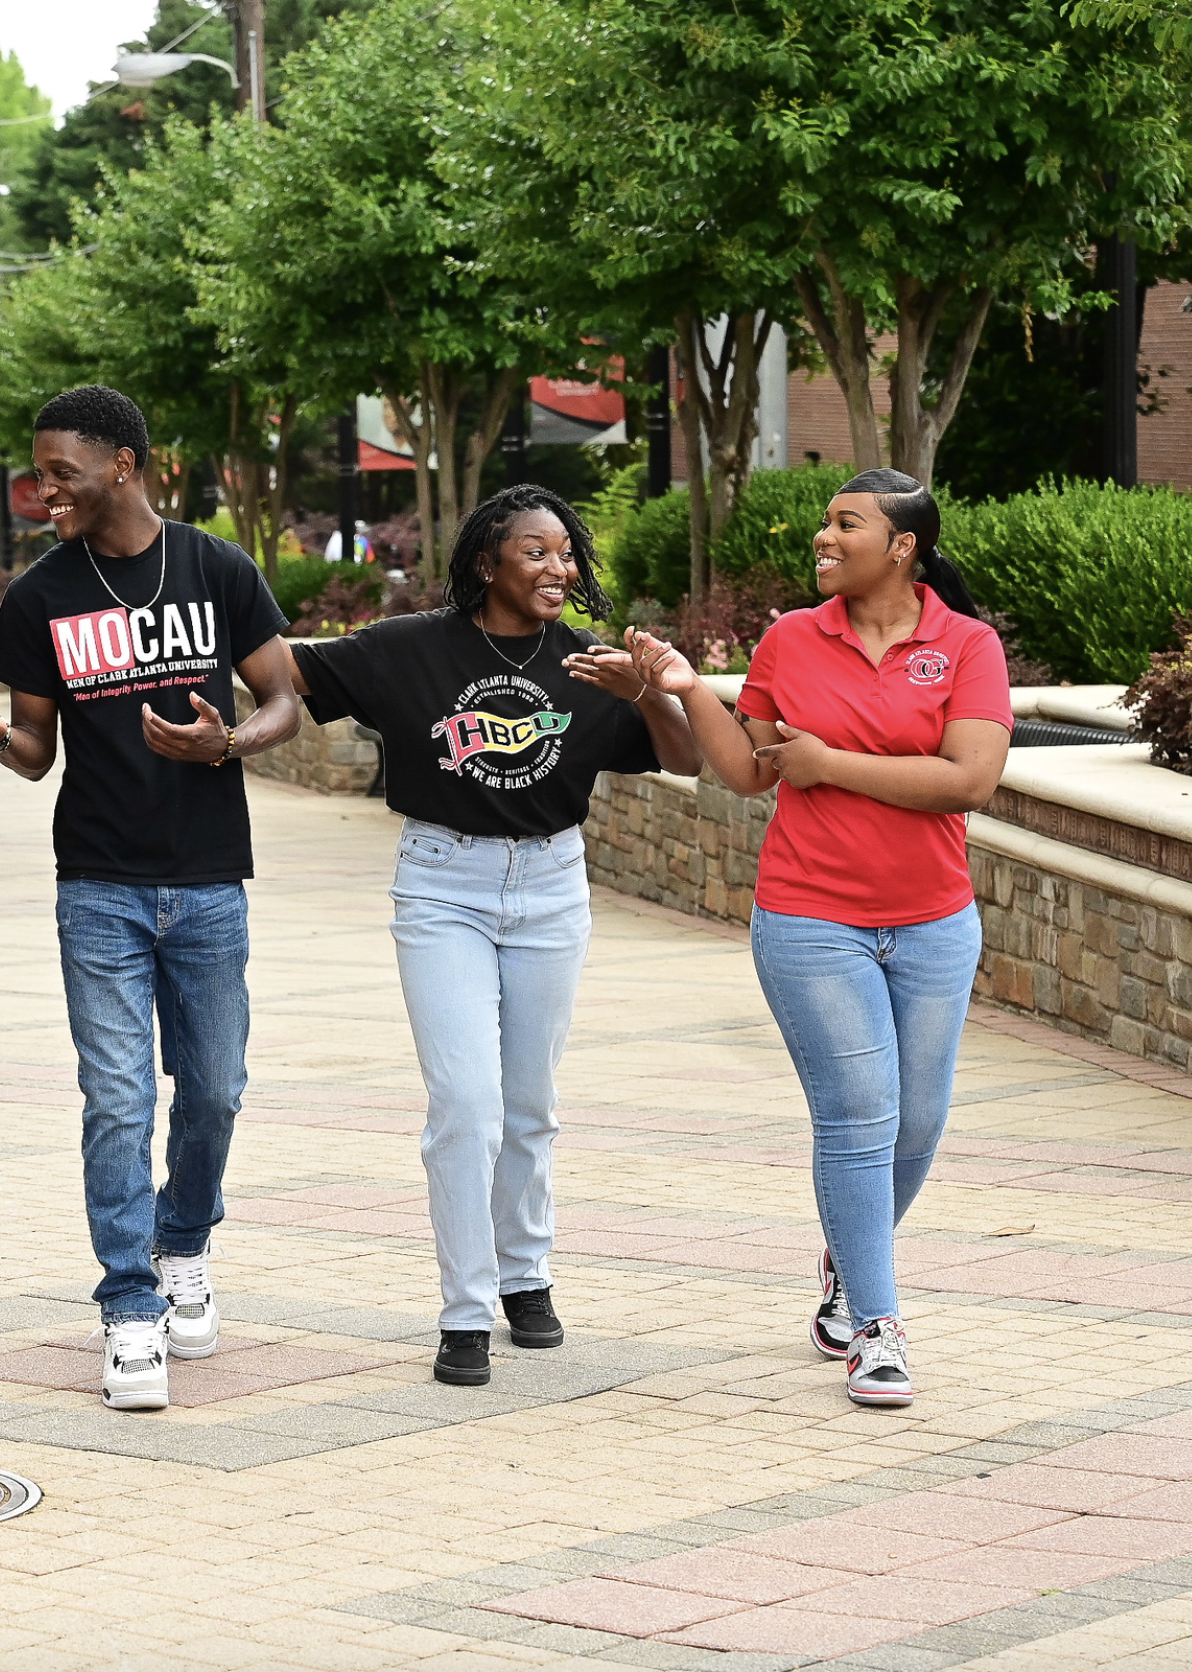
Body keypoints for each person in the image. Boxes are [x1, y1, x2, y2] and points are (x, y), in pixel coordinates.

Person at [0, 384, 302, 1412]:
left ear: (124, 466)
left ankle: (184, 1238)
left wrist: (227, 741)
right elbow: (36, 751)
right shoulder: (41, 595)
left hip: (211, 881)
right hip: (98, 886)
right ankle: (130, 1307)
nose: (44, 490)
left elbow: (284, 700)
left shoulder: (216, 567)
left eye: (62, 473)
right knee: (120, 1097)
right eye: (39, 473)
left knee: (215, 1088)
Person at [286, 485, 700, 1387]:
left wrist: (654, 694)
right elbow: (286, 669)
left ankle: (527, 1277)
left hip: (553, 886)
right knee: (465, 1107)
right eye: (535, 552)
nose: (559, 570)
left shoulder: (592, 665)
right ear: (486, 561)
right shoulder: (410, 651)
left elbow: (686, 758)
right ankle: (464, 1309)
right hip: (443, 887)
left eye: (566, 554)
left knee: (530, 1105)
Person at [629, 469, 1011, 1408]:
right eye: (827, 523)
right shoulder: (792, 639)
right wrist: (685, 688)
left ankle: (848, 1257)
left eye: (848, 525)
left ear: (904, 545)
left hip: (933, 920)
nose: (825, 537)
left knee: (917, 1122)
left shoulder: (966, 645)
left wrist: (827, 763)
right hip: (810, 915)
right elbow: (747, 774)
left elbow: (969, 782)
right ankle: (876, 1330)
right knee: (857, 1113)